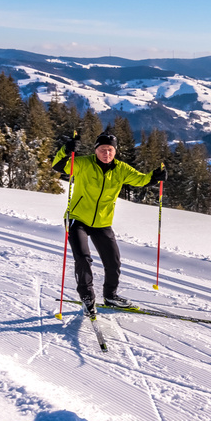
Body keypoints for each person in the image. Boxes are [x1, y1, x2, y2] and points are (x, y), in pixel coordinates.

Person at [53, 131, 166, 318]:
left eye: (110, 150)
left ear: (115, 151)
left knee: (113, 262)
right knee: (83, 258)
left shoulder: (121, 169)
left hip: (102, 222)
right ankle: (87, 297)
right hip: (77, 218)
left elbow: (141, 180)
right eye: (103, 149)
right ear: (96, 150)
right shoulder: (83, 164)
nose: (107, 153)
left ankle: (110, 296)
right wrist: (66, 150)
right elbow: (58, 165)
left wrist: (156, 176)